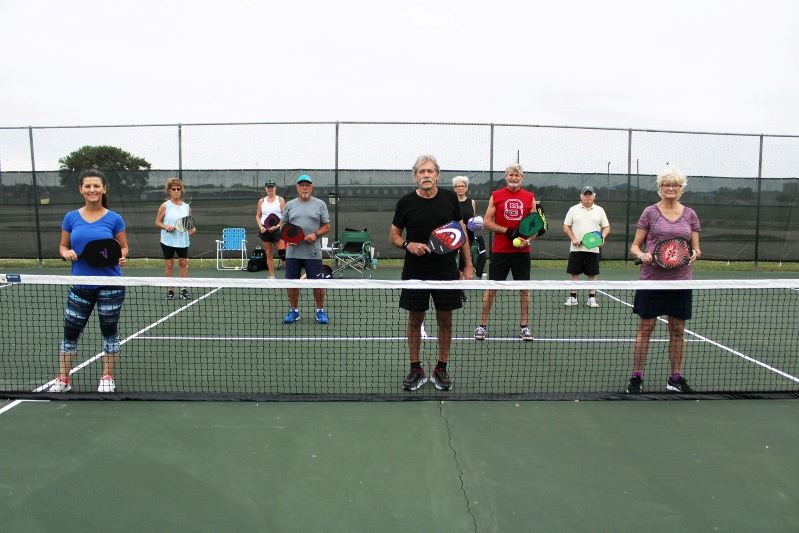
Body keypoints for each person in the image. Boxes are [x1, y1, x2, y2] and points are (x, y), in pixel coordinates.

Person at [390, 155, 473, 392]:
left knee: (445, 320)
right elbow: (394, 236)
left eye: (430, 171)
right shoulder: (405, 202)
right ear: (415, 176)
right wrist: (408, 245)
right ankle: (415, 368)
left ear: (437, 174)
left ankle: (441, 368)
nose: (426, 175)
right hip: (415, 270)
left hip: (446, 270)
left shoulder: (450, 198)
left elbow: (461, 232)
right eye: (421, 171)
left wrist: (468, 265)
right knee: (415, 319)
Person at [50, 169, 128, 393]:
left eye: (96, 186)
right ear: (81, 190)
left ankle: (107, 377)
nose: (92, 190)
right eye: (88, 186)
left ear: (104, 189)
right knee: (70, 332)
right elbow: (63, 245)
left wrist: (122, 256)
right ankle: (63, 379)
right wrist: (65, 252)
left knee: (109, 331)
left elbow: (123, 247)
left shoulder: (114, 218)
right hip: (81, 285)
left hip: (110, 285)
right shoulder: (71, 217)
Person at [627, 167, 701, 394]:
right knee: (645, 329)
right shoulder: (650, 212)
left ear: (681, 189)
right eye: (666, 184)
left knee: (677, 330)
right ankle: (637, 377)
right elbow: (635, 246)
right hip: (651, 280)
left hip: (680, 282)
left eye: (675, 185)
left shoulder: (690, 215)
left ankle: (675, 378)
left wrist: (695, 254)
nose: (670, 188)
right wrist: (642, 255)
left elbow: (696, 248)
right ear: (660, 188)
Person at [474, 164, 537, 342]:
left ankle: (524, 327)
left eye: (517, 175)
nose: (514, 178)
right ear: (506, 176)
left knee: (524, 289)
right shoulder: (496, 195)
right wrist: (508, 231)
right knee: (492, 288)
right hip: (500, 251)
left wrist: (527, 240)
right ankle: (482, 325)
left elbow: (535, 224)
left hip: (522, 252)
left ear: (522, 177)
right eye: (511, 175)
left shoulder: (530, 197)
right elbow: (487, 222)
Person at [281, 175, 331, 324]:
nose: (304, 188)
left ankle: (320, 311)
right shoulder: (290, 205)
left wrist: (315, 234)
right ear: (297, 187)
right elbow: (283, 225)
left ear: (311, 187)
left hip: (313, 253)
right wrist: (289, 238)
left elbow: (326, 226)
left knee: (317, 284)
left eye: (307, 185)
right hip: (293, 253)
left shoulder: (320, 204)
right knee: (292, 284)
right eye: (302, 185)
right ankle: (294, 311)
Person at [562, 186, 611, 307]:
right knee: (574, 273)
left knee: (592, 274)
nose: (587, 197)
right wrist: (573, 238)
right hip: (576, 249)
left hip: (593, 249)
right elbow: (566, 226)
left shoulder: (600, 210)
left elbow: (606, 227)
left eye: (590, 195)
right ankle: (573, 297)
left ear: (594, 196)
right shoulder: (573, 209)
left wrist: (602, 237)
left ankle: (592, 298)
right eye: (585, 194)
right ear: (581, 196)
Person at [155, 177, 196, 300]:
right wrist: (166, 227)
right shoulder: (164, 206)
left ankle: (183, 290)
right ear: (169, 191)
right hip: (167, 241)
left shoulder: (187, 207)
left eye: (178, 189)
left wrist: (192, 229)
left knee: (183, 264)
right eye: (174, 189)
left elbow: (189, 224)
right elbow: (157, 222)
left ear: (181, 190)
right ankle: (170, 291)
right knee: (169, 265)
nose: (176, 191)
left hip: (182, 241)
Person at [452, 175, 486, 279]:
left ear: (466, 188)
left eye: (462, 186)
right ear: (454, 188)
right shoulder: (451, 202)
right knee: (451, 260)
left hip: (468, 235)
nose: (460, 188)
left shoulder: (472, 202)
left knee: (463, 260)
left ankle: (460, 284)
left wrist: (478, 225)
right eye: (457, 186)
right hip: (454, 235)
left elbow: (473, 218)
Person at [255, 179, 286, 279]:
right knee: (268, 253)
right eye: (268, 187)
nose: (270, 189)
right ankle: (272, 276)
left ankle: (290, 276)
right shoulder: (261, 201)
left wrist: (278, 226)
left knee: (283, 253)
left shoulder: (280, 200)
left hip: (277, 229)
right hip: (265, 230)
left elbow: (285, 216)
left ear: (275, 188)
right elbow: (258, 216)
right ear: (265, 189)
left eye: (272, 187)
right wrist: (261, 227)